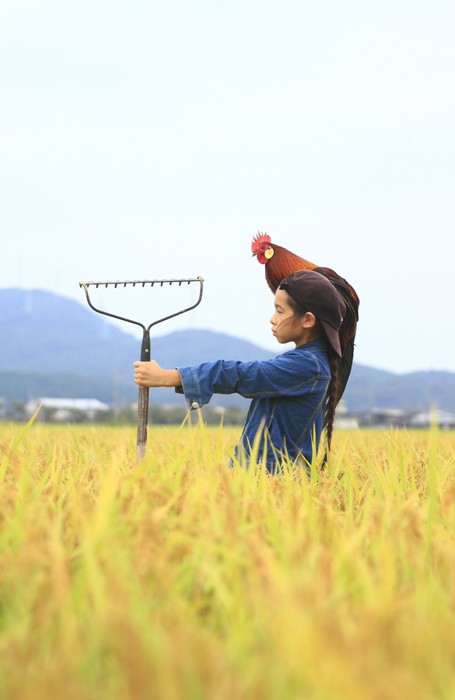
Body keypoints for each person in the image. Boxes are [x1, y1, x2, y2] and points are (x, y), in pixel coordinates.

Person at [133, 269, 347, 475]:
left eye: (280, 311)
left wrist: (168, 377)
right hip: (257, 476)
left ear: (308, 320)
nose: (272, 318)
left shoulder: (307, 366)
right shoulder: (304, 362)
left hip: (274, 482)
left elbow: (243, 374)